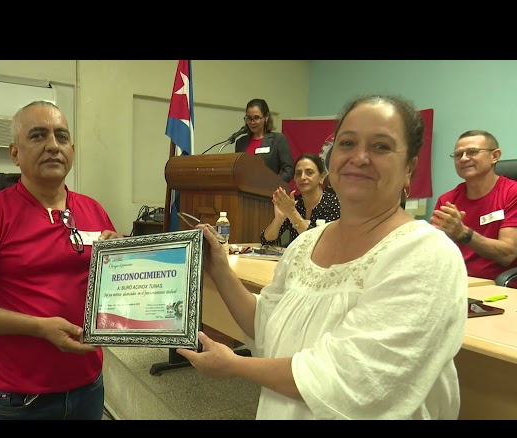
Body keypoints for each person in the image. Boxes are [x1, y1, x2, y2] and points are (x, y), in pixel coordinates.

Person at [177, 93, 468, 420]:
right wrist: (218, 266)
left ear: (409, 169)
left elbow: (353, 379)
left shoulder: (425, 254)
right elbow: (266, 327)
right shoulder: (305, 244)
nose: (359, 157)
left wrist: (235, 365)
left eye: (381, 146)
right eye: (347, 143)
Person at [0, 100, 123, 420]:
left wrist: (121, 259)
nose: (53, 145)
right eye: (38, 136)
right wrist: (40, 328)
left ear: (73, 150)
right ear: (15, 154)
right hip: (19, 397)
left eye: (61, 137)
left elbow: (111, 293)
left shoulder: (94, 210)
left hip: (89, 386)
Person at [430, 130, 517, 280]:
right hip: (458, 282)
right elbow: (435, 252)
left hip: (500, 288)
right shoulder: (447, 201)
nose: (463, 159)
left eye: (472, 152)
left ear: (494, 156)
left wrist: (463, 233)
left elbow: (508, 254)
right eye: (458, 154)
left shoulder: (512, 193)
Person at [260, 153, 340, 247]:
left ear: (321, 178)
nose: (302, 177)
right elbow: (266, 241)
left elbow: (320, 244)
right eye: (298, 173)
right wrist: (278, 220)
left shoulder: (335, 203)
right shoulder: (295, 203)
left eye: (309, 172)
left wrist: (292, 213)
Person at [235, 98, 294, 183]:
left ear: (266, 117)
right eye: (249, 118)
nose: (252, 122)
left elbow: (289, 170)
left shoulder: (278, 140)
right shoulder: (241, 142)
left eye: (256, 118)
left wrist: (273, 184)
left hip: (269, 192)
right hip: (245, 192)